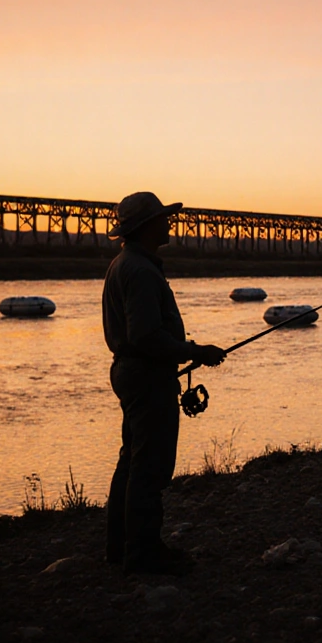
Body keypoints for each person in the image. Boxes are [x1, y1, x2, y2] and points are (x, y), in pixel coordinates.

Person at [102, 191, 226, 575]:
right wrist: (194, 351)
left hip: (135, 372)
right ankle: (143, 554)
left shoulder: (126, 264)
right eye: (162, 218)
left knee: (133, 459)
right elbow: (145, 337)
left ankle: (120, 548)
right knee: (150, 468)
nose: (169, 223)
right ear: (146, 226)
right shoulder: (139, 271)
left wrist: (185, 352)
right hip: (146, 375)